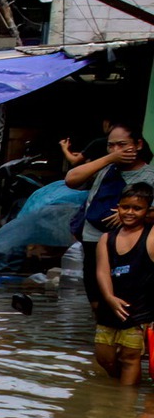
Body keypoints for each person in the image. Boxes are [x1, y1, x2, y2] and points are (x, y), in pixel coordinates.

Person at [66, 122, 154, 314]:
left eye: (122, 145)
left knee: (127, 297)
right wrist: (110, 158)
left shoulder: (149, 176)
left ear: (138, 145)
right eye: (111, 145)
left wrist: (133, 213)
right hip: (94, 240)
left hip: (129, 247)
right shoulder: (105, 169)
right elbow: (71, 179)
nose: (116, 150)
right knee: (97, 298)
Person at [95, 181, 154, 385]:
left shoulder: (151, 236)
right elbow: (102, 271)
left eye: (137, 208)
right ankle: (117, 395)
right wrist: (109, 298)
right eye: (125, 207)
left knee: (130, 357)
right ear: (117, 207)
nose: (129, 212)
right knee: (104, 358)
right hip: (109, 309)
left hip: (138, 311)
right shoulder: (106, 238)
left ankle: (125, 404)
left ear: (148, 211)